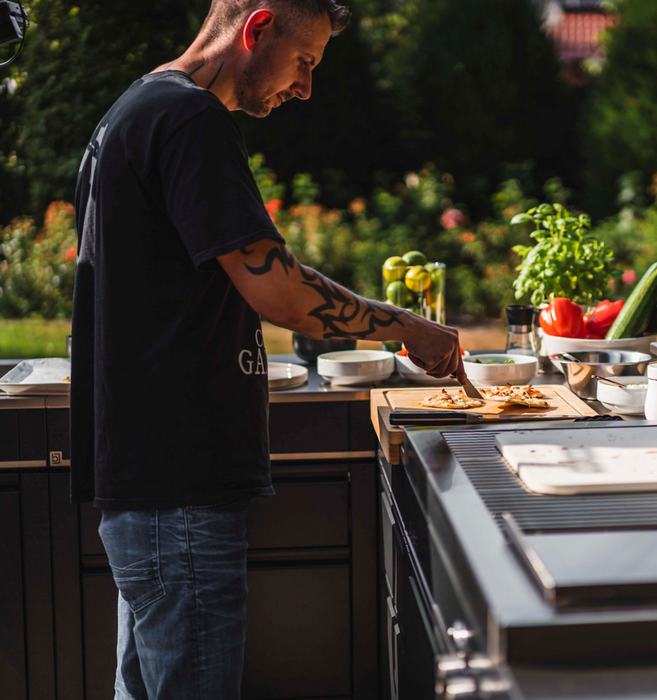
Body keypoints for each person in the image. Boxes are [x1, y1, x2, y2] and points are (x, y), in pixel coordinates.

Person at [70, 1, 465, 697]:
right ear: (257, 28)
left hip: (149, 486)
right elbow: (279, 292)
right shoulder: (189, 119)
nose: (306, 87)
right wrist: (409, 326)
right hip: (180, 491)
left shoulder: (136, 107)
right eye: (304, 61)